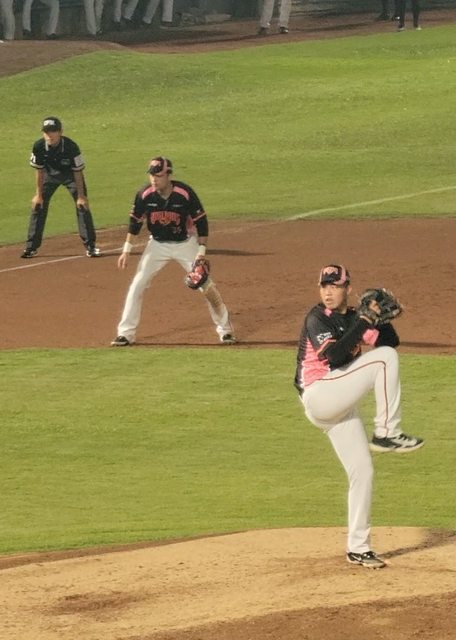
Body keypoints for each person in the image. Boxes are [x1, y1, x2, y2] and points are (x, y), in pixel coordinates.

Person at [294, 264, 424, 569]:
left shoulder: (355, 317)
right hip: (320, 395)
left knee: (362, 471)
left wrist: (381, 320)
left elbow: (389, 342)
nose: (328, 292)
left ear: (347, 289)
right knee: (384, 361)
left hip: (339, 404)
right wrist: (364, 320)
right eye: (324, 286)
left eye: (335, 286)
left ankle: (358, 548)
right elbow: (336, 356)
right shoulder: (317, 318)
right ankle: (387, 431)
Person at [111, 156, 235, 347]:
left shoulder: (184, 193)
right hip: (157, 245)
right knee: (137, 284)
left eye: (159, 176)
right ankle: (125, 334)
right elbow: (135, 222)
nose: (154, 179)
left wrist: (201, 252)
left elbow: (201, 222)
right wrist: (126, 250)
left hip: (185, 243)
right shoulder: (145, 194)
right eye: (152, 175)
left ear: (169, 175)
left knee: (206, 285)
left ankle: (225, 330)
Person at [21, 117, 101, 259]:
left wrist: (81, 196)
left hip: (71, 175)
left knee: (82, 206)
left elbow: (78, 172)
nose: (49, 135)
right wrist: (38, 195)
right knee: (38, 205)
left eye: (53, 131)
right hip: (49, 175)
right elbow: (39, 171)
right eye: (46, 132)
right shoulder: (39, 146)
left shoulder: (71, 147)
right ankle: (31, 247)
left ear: (60, 132)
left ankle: (91, 246)